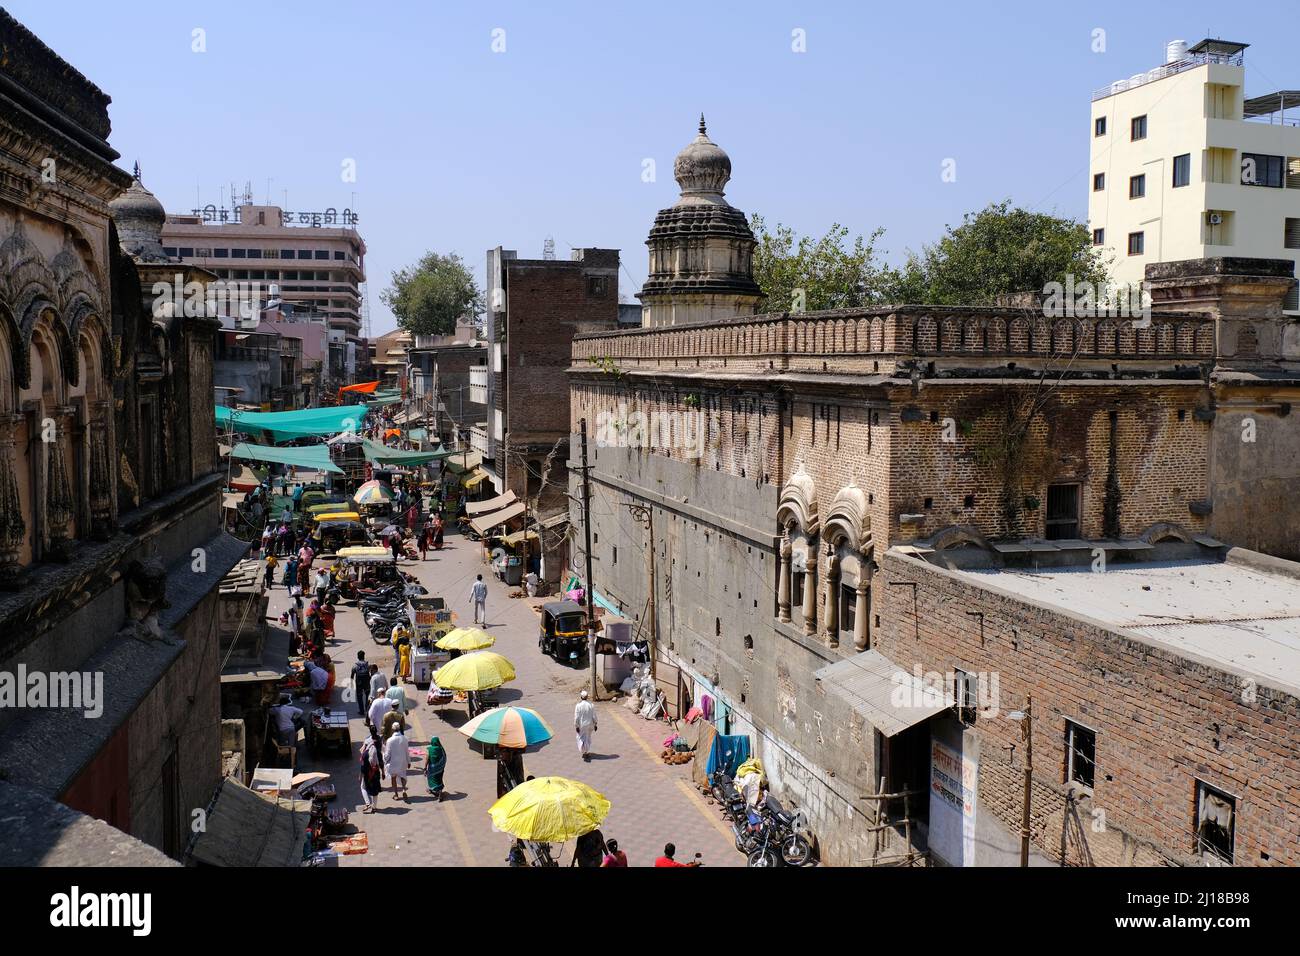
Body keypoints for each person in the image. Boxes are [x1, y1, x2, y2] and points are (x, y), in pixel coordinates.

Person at [360, 731, 384, 813]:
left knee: (363, 787)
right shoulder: (378, 752)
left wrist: (361, 775)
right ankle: (374, 807)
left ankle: (367, 803)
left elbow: (362, 766)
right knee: (375, 791)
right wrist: (383, 772)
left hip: (367, 774)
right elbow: (381, 763)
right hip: (375, 774)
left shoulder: (365, 754)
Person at [384, 726, 411, 801]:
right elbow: (407, 752)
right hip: (403, 762)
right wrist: (409, 762)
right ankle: (403, 790)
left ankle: (396, 795)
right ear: (399, 729)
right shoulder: (404, 738)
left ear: (392, 729)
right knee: (402, 776)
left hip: (393, 763)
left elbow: (387, 754)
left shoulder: (389, 740)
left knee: (393, 778)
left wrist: (385, 759)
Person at [574, 689, 597, 761]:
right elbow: (594, 716)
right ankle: (586, 752)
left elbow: (576, 717)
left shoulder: (578, 706)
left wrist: (576, 726)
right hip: (590, 725)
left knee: (580, 737)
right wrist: (595, 724)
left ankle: (583, 751)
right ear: (587, 697)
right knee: (588, 738)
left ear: (581, 697)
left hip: (581, 725)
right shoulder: (591, 705)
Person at [425, 736, 447, 801]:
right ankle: (439, 795)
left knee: (432, 779)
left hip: (432, 770)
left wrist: (424, 768)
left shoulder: (430, 750)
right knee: (439, 780)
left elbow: (427, 759)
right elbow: (444, 757)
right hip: (440, 768)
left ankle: (433, 790)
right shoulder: (441, 749)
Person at [351, 651, 372, 717]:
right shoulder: (367, 665)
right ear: (364, 656)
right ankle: (367, 709)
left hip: (359, 683)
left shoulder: (355, 666)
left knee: (359, 697)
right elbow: (371, 674)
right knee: (367, 696)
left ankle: (362, 711)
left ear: (358, 657)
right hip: (367, 683)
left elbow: (352, 675)